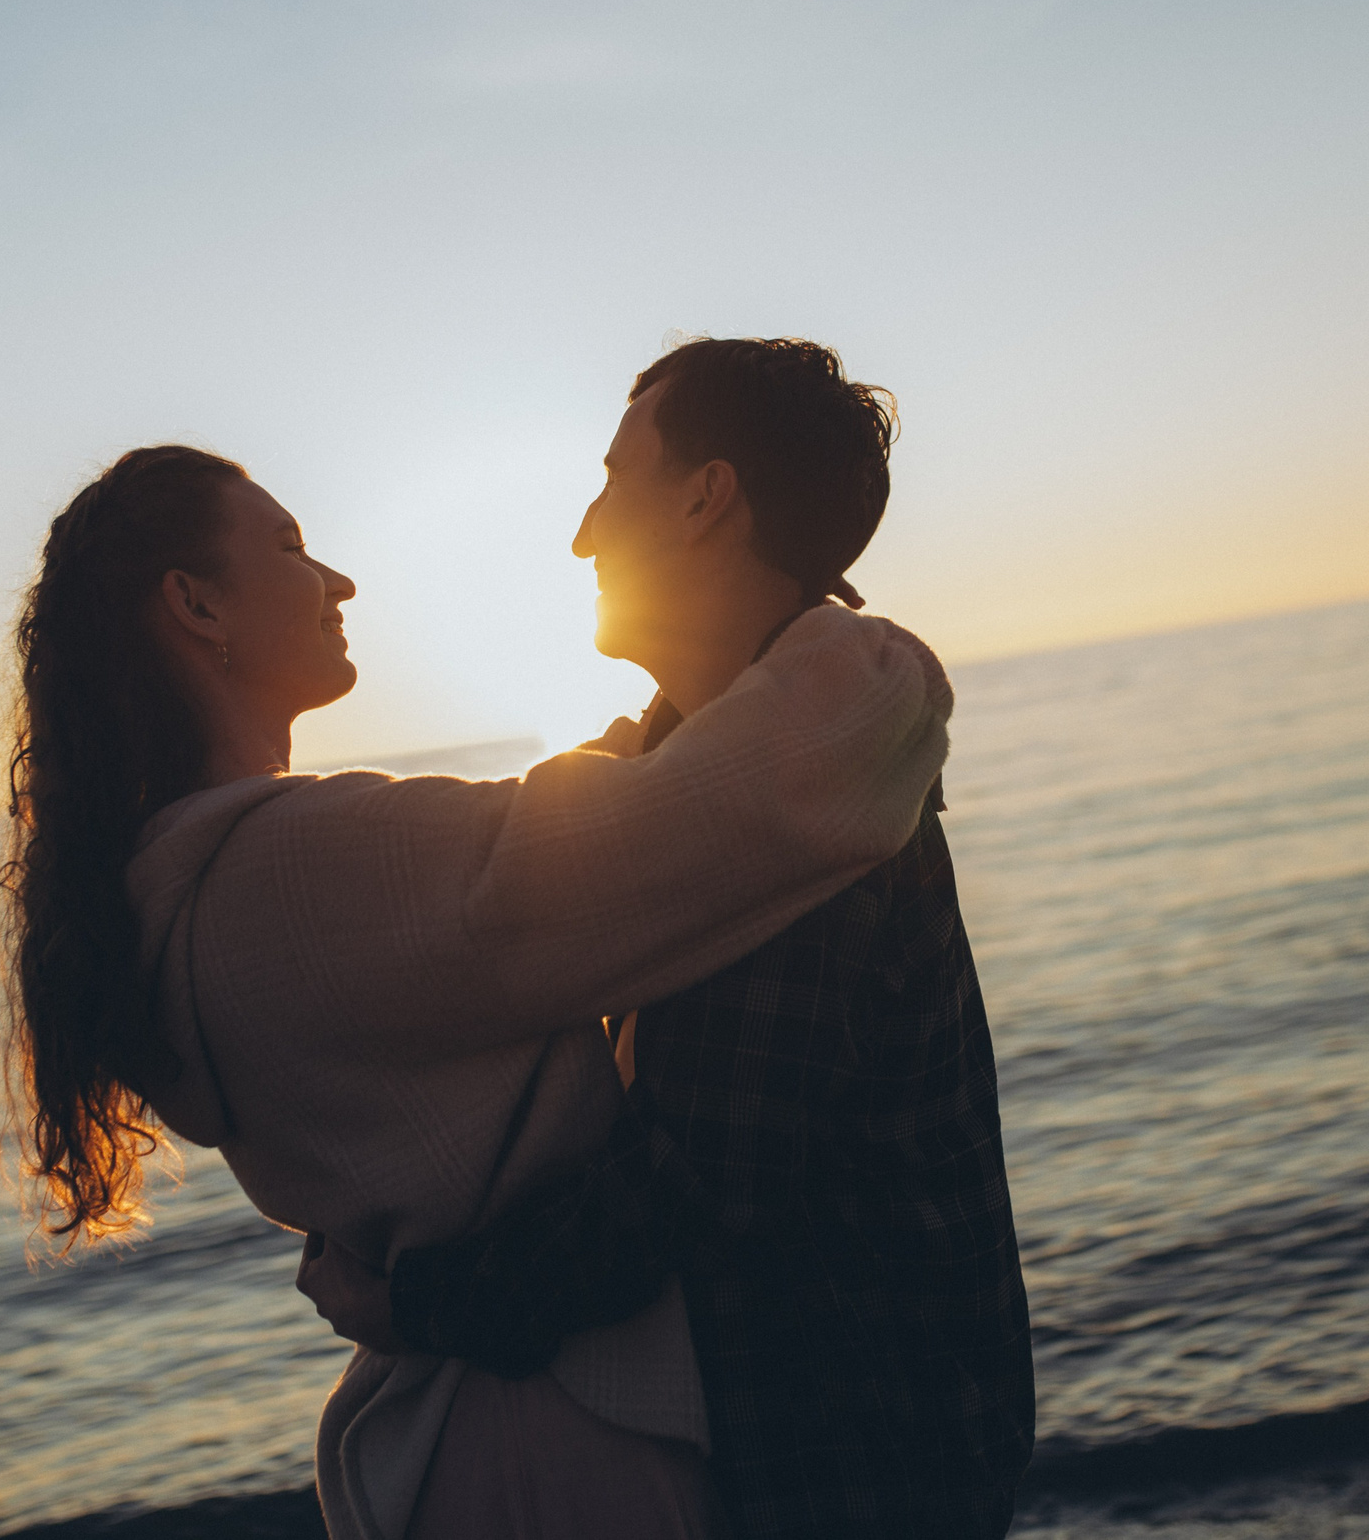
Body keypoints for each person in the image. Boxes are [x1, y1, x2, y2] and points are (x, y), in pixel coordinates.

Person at [0, 442, 953, 1540]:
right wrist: (862, 652)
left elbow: (580, 832)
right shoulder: (295, 872)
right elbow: (732, 804)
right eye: (293, 548)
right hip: (559, 1450)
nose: (338, 582)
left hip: (462, 1444)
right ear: (197, 604)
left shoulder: (182, 899)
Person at [321, 340, 1035, 1538]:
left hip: (856, 1464)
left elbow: (681, 1194)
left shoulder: (801, 798)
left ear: (706, 498)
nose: (580, 535)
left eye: (613, 480)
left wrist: (411, 1297)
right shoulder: (702, 768)